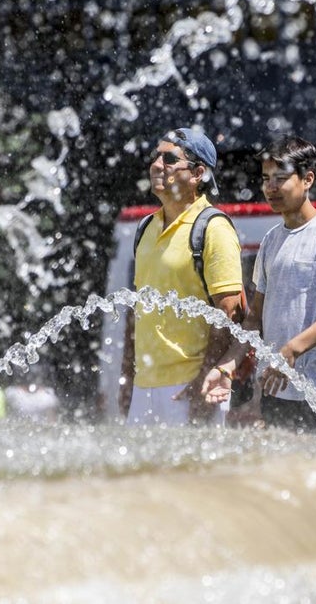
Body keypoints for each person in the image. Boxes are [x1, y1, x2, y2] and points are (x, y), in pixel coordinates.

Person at [202, 135, 316, 433]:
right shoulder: (271, 240)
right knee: (283, 477)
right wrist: (227, 367)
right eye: (265, 179)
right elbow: (254, 320)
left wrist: (291, 350)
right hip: (277, 389)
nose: (270, 187)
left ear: (307, 179)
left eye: (281, 178)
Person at [121, 127, 244, 426]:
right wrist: (127, 380)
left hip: (191, 386)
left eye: (169, 159)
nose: (156, 165)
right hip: (144, 385)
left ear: (198, 173)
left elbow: (228, 314)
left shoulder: (213, 228)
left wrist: (205, 377)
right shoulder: (145, 228)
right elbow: (137, 310)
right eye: (155, 157)